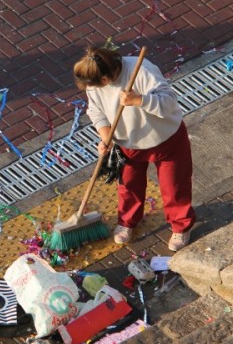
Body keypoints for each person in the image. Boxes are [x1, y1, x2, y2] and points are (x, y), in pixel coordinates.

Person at [73, 46, 196, 251]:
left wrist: (139, 100)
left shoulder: (142, 70)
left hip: (166, 137)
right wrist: (105, 136)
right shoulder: (93, 83)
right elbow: (95, 111)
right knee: (128, 185)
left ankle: (181, 226)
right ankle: (127, 221)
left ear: (105, 79)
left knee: (174, 186)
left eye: (98, 85)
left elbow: (170, 103)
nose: (94, 89)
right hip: (126, 143)